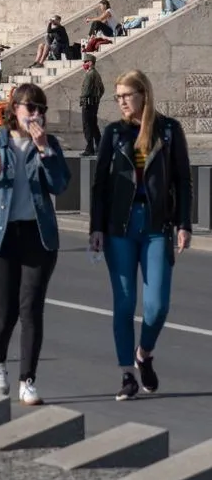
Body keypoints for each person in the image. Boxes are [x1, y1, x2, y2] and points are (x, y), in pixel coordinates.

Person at [88, 70, 192, 401]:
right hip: (120, 226)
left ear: (143, 95)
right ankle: (127, 375)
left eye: (125, 96)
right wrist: (96, 227)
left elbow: (183, 181)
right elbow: (100, 184)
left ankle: (143, 353)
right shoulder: (114, 133)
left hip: (156, 225)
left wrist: (184, 224)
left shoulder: (169, 131)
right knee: (124, 303)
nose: (120, 102)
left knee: (157, 305)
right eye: (117, 97)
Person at [0, 83, 69, 406]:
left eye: (41, 110)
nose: (36, 115)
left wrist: (44, 150)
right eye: (30, 108)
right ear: (15, 110)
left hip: (38, 236)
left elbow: (61, 184)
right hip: (0, 237)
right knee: (4, 312)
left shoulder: (49, 145)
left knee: (31, 311)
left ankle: (28, 380)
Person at [79, 54, 103, 156]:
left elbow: (86, 90)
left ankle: (89, 148)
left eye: (85, 62)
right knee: (93, 125)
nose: (84, 64)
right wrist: (97, 99)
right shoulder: (96, 74)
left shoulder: (90, 75)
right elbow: (102, 89)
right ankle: (100, 146)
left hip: (88, 104)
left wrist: (82, 98)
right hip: (94, 103)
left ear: (90, 62)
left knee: (87, 126)